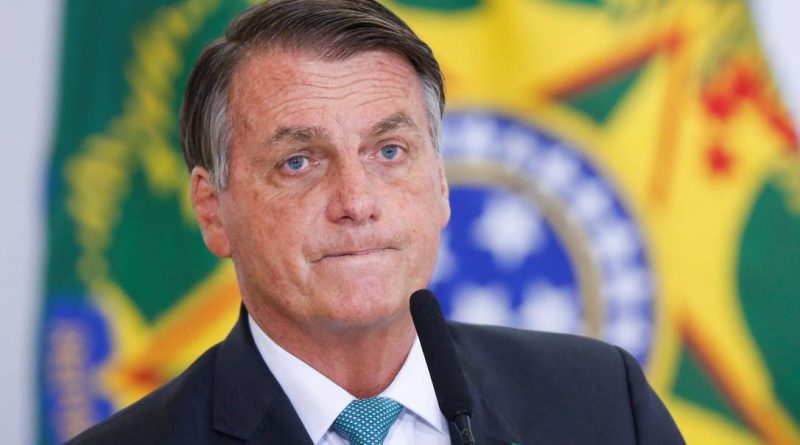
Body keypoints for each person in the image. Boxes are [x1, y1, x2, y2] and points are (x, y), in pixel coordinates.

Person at [67, 1, 685, 444]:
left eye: (389, 151)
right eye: (299, 161)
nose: (356, 201)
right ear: (211, 210)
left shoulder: (604, 404)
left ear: (439, 183)